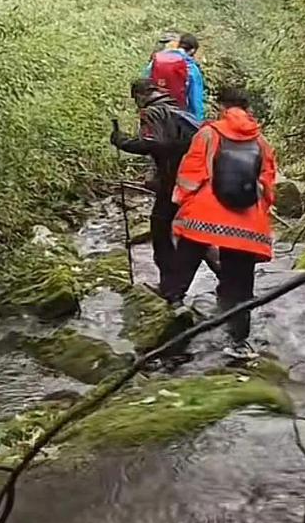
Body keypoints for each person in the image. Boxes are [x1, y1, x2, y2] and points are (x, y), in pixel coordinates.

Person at [170, 86, 276, 359]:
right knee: (241, 282)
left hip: (206, 214)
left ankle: (174, 302)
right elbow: (267, 183)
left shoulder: (208, 133)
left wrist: (181, 202)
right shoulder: (261, 141)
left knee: (187, 254)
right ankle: (239, 340)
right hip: (246, 224)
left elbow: (191, 173)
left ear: (222, 107)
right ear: (247, 108)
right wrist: (258, 210)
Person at [111, 79, 199, 303]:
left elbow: (155, 144)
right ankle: (223, 280)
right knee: (195, 233)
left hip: (173, 180)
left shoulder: (152, 112)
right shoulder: (177, 108)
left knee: (160, 229)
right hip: (195, 179)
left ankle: (169, 288)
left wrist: (122, 142)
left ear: (139, 96)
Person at [146, 31, 205, 122]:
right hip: (178, 117)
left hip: (154, 113)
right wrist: (198, 123)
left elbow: (144, 82)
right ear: (192, 50)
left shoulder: (157, 60)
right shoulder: (191, 68)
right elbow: (196, 102)